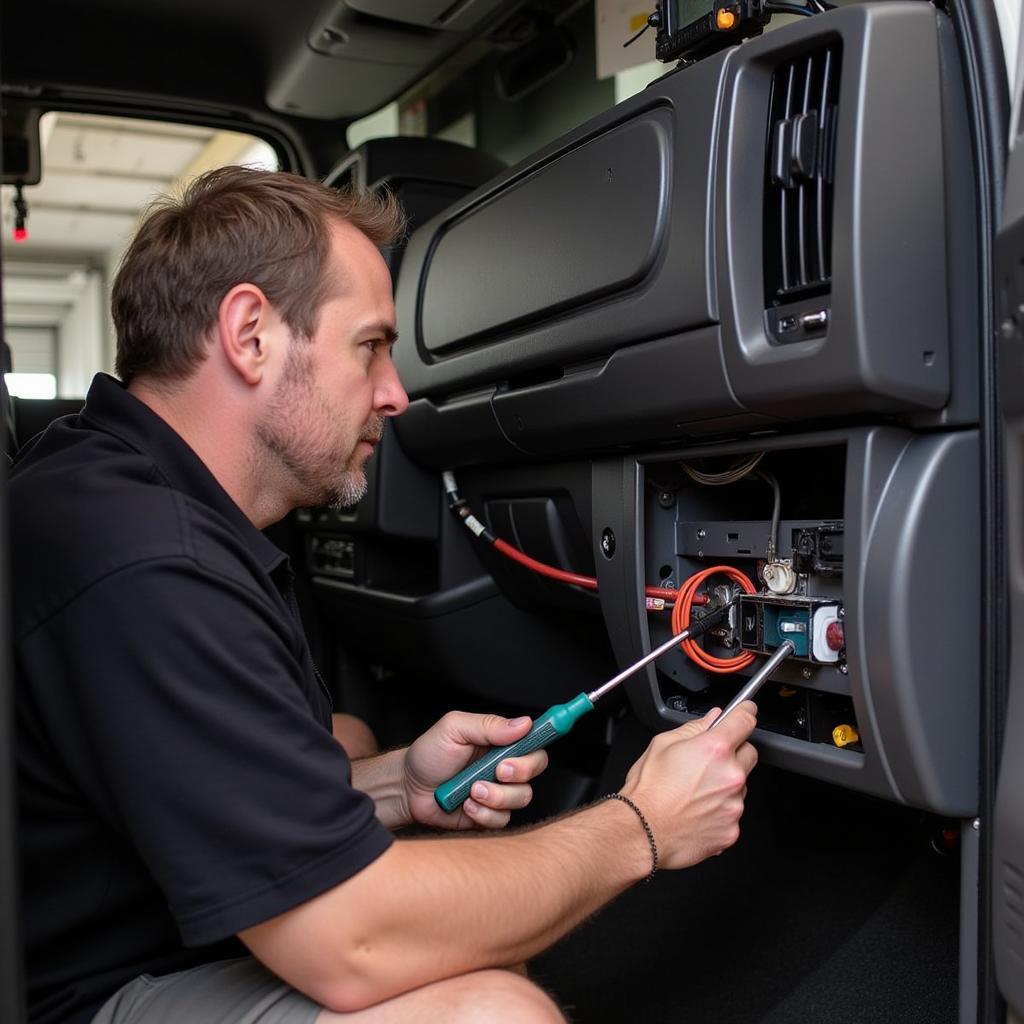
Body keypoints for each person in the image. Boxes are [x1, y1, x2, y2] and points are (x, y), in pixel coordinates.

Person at [11, 166, 758, 1024]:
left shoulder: (128, 495)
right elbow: (352, 942)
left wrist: (397, 784)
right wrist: (643, 826)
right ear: (250, 334)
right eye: (370, 345)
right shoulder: (146, 559)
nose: (396, 393)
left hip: (128, 936)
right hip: (84, 996)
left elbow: (196, 784)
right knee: (490, 1015)